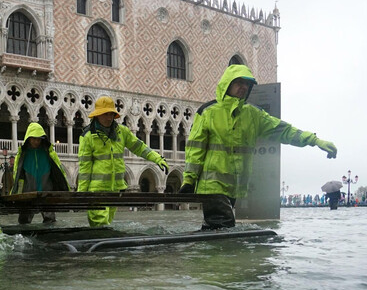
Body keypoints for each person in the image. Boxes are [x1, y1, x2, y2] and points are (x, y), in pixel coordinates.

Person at [179, 64, 337, 228]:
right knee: (223, 225)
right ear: (227, 83)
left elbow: (284, 131)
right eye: (239, 82)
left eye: (247, 84)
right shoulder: (208, 112)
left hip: (234, 187)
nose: (243, 87)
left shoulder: (254, 114)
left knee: (217, 228)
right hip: (211, 185)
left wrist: (315, 140)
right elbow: (195, 148)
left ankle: (201, 250)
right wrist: (189, 180)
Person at [77, 96, 169, 227]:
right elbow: (84, 166)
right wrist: (82, 193)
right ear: (97, 115)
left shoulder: (122, 131)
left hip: (115, 188)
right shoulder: (87, 136)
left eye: (111, 114)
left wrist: (157, 158)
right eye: (105, 114)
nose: (109, 118)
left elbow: (140, 147)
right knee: (100, 225)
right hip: (96, 191)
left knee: (107, 224)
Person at [10, 122, 70, 224]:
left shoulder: (48, 152)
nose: (36, 142)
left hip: (46, 190)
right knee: (24, 220)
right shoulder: (22, 154)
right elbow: (18, 174)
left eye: (38, 139)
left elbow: (59, 171)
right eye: (33, 139)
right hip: (28, 192)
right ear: (28, 138)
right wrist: (17, 192)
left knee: (50, 220)